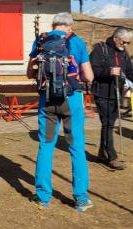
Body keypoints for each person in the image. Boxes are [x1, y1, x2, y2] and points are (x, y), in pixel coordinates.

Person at [27, 12, 94, 212]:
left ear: (54, 25)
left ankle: (42, 197)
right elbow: (89, 76)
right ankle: (81, 198)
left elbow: (30, 73)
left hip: (46, 100)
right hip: (71, 100)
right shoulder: (77, 42)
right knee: (76, 148)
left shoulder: (40, 41)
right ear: (70, 27)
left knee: (46, 146)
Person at [90, 27, 133, 170]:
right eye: (124, 42)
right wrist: (109, 72)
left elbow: (129, 71)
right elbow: (92, 71)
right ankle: (112, 157)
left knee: (108, 124)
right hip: (102, 93)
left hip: (116, 93)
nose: (126, 45)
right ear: (115, 38)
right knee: (108, 123)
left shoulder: (124, 53)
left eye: (128, 43)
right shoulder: (100, 49)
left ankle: (102, 153)